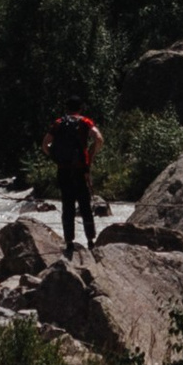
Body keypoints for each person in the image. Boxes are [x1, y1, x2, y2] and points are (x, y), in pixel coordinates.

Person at [48, 101, 105, 257]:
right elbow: (99, 138)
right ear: (80, 108)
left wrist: (56, 159)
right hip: (81, 170)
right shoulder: (85, 122)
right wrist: (90, 156)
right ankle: (90, 241)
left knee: (67, 205)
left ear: (66, 109)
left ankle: (69, 243)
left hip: (63, 170)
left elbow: (45, 144)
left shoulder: (59, 123)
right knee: (85, 205)